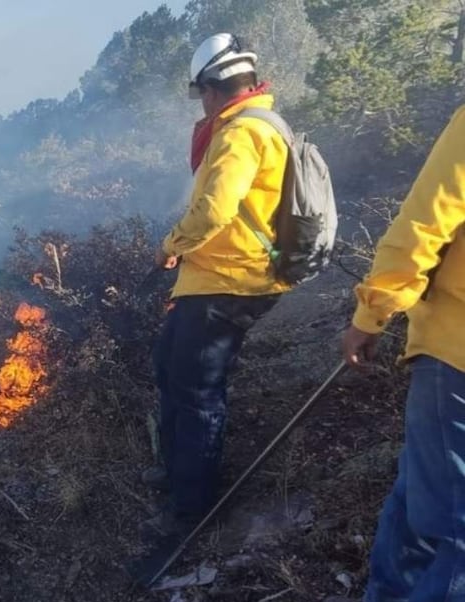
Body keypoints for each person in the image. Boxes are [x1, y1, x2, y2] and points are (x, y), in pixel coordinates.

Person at [322, 106, 465, 602]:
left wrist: (371, 314)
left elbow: (425, 222)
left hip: (457, 350)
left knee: (458, 522)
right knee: (421, 482)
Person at [147, 33, 292, 538]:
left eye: (200, 93)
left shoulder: (241, 133)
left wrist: (171, 246)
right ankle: (177, 472)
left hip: (228, 281)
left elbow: (213, 210)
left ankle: (193, 509)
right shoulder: (253, 125)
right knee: (169, 366)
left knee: (197, 390)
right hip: (215, 276)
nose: (200, 103)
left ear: (213, 87)